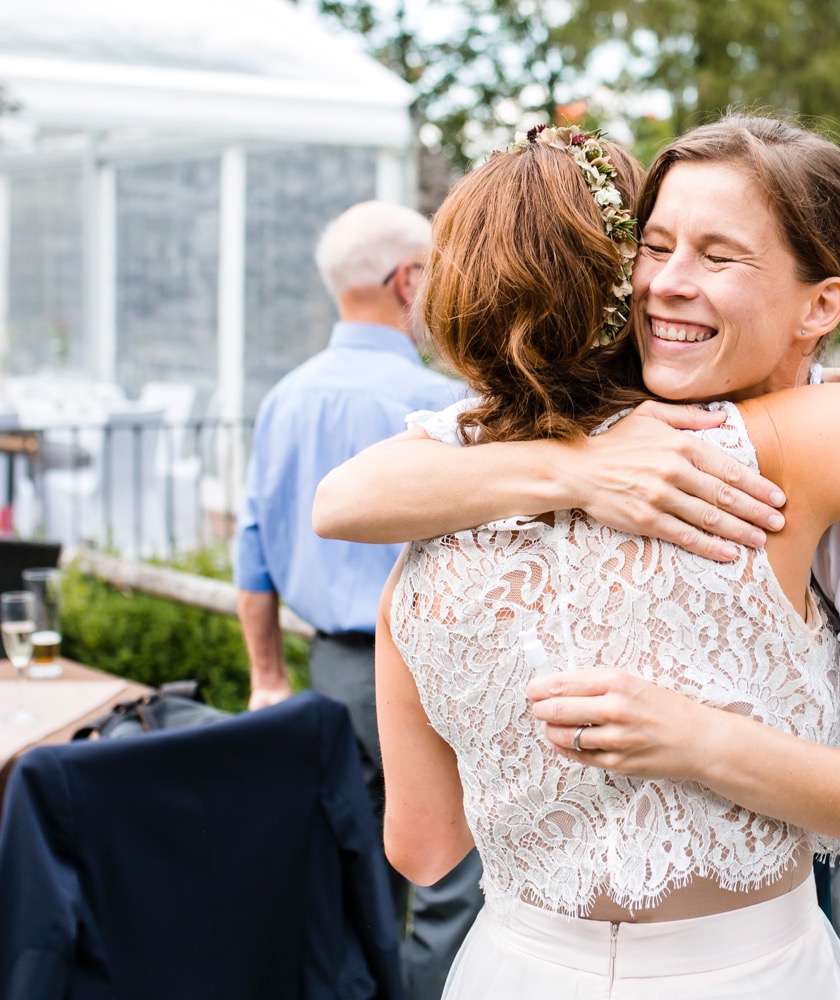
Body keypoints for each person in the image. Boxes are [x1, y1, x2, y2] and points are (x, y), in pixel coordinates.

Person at [314, 115, 840, 1000]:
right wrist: (580, 465)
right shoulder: (763, 448)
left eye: (718, 256)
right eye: (655, 247)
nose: (668, 283)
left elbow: (423, 847)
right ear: (614, 280)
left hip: (513, 965)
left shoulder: (425, 535)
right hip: (748, 969)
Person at [232, 200, 482, 1000]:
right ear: (408, 281)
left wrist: (265, 674)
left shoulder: (284, 399)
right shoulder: (439, 403)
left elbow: (254, 548)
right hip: (425, 668)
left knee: (354, 867)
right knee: (450, 871)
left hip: (329, 670)